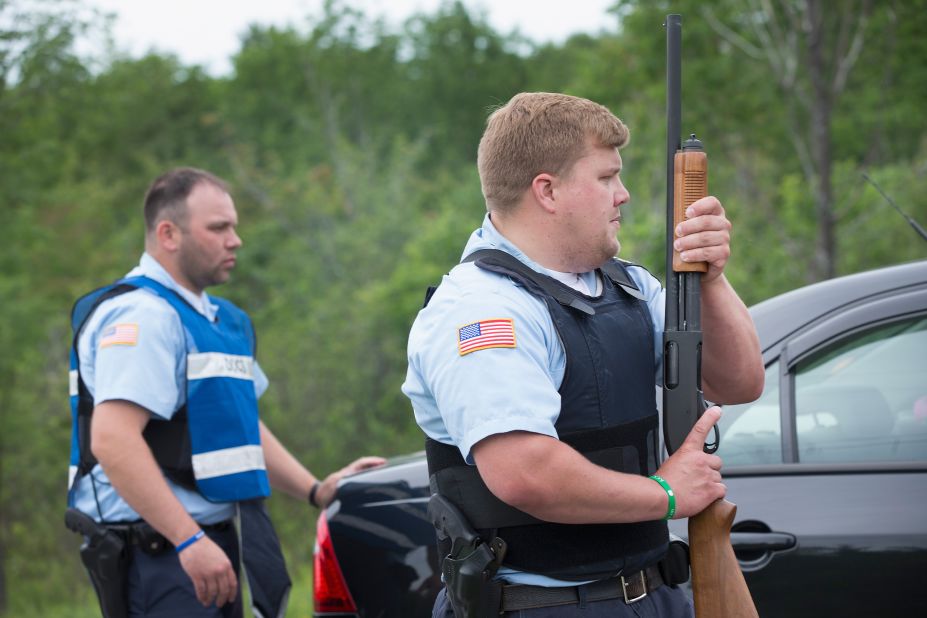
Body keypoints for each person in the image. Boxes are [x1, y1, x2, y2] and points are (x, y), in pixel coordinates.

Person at [402, 92, 765, 617]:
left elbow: (739, 381)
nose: (624, 195)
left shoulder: (630, 287)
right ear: (547, 191)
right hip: (538, 605)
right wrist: (665, 494)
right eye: (607, 178)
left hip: (652, 593)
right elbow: (525, 473)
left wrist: (710, 279)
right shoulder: (483, 310)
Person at [67, 167, 385, 618]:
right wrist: (188, 539)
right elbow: (113, 440)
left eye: (233, 226)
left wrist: (316, 490)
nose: (235, 239)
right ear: (168, 234)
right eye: (219, 228)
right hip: (161, 553)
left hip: (203, 543)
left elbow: (240, 426)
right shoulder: (144, 317)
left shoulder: (218, 318)